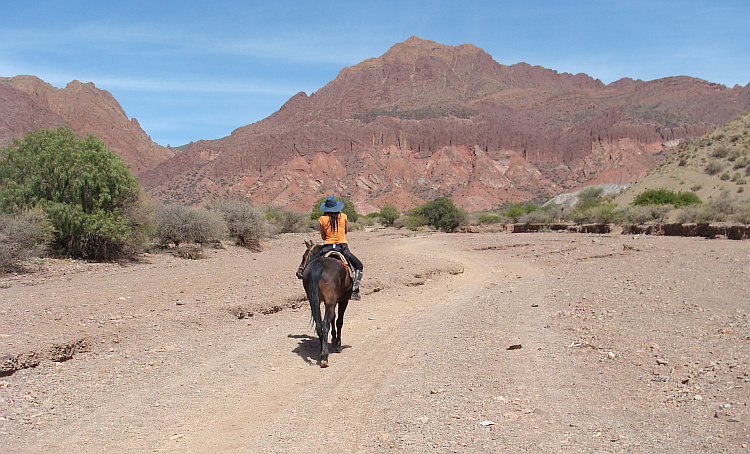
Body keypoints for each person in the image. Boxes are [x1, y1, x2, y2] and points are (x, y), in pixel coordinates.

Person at [316, 195, 363, 300]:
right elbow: (345, 231)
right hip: (342, 247)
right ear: (336, 207)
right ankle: (354, 290)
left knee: (310, 263)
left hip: (327, 247)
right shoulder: (344, 216)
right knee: (359, 266)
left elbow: (323, 237)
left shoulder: (322, 219)